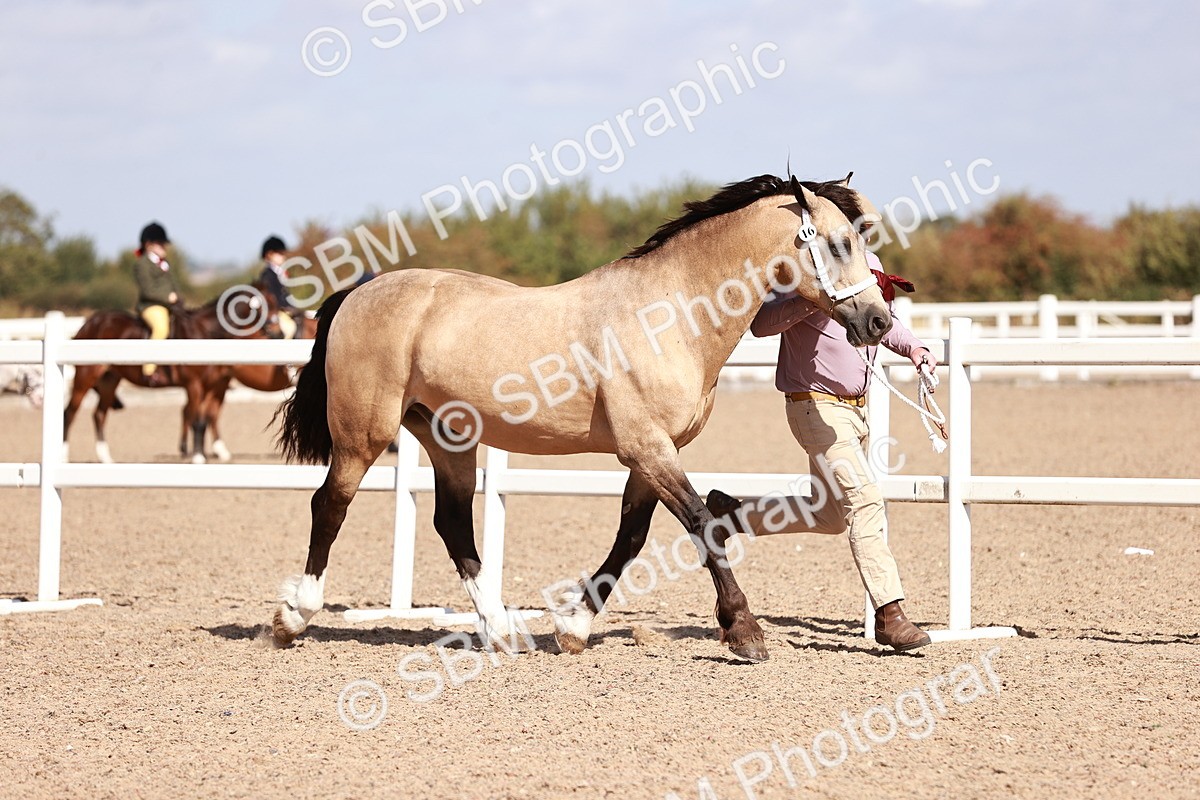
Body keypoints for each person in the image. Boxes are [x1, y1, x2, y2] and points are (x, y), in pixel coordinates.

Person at [706, 250, 936, 652]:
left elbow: (883, 320)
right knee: (865, 501)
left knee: (828, 515)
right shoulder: (800, 270)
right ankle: (890, 614)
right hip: (814, 405)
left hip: (856, 410)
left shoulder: (869, 261)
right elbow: (762, 324)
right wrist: (811, 298)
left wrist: (915, 348)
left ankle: (730, 518)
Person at [132, 222, 181, 386]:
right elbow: (148, 291)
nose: (164, 247)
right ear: (149, 245)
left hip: (169, 305)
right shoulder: (142, 264)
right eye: (161, 244)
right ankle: (149, 369)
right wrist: (168, 298)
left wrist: (178, 299)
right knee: (161, 328)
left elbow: (172, 285)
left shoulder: (164, 263)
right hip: (150, 306)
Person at [258, 236, 300, 339]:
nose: (283, 257)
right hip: (276, 313)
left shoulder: (279, 272)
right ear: (270, 255)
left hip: (285, 311)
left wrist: (293, 307)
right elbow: (273, 297)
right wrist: (286, 307)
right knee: (289, 328)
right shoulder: (267, 275)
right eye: (280, 254)